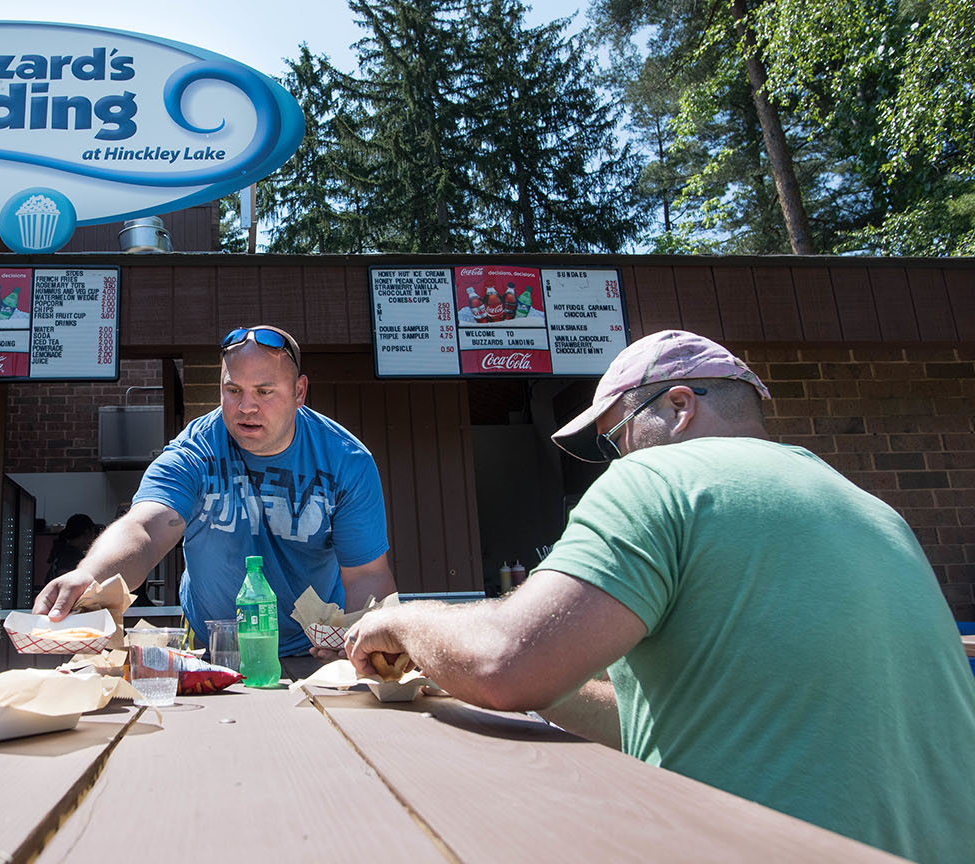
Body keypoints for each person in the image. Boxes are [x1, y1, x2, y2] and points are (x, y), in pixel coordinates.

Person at [345, 329, 975, 862]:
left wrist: (407, 620)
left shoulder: (659, 478)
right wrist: (484, 666)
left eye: (616, 435)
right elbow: (665, 721)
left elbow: (503, 665)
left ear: (677, 406)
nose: (614, 457)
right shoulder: (874, 510)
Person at [35, 325, 397, 657]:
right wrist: (91, 576)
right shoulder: (194, 450)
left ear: (299, 392)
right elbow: (145, 527)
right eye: (233, 390)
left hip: (312, 646)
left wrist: (371, 641)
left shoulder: (346, 461)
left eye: (264, 391)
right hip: (210, 643)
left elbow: (366, 574)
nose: (246, 406)